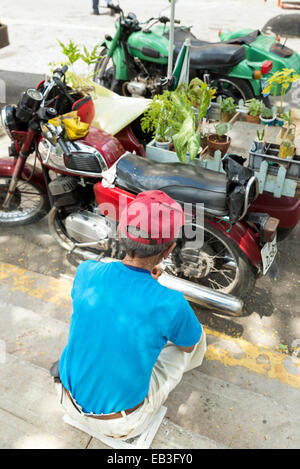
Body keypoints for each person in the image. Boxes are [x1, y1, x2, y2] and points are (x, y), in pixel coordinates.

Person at [55, 190, 206, 440]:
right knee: (196, 338)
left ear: (122, 235)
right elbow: (188, 347)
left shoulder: (86, 272)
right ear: (168, 250)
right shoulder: (172, 303)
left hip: (65, 398)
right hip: (120, 426)